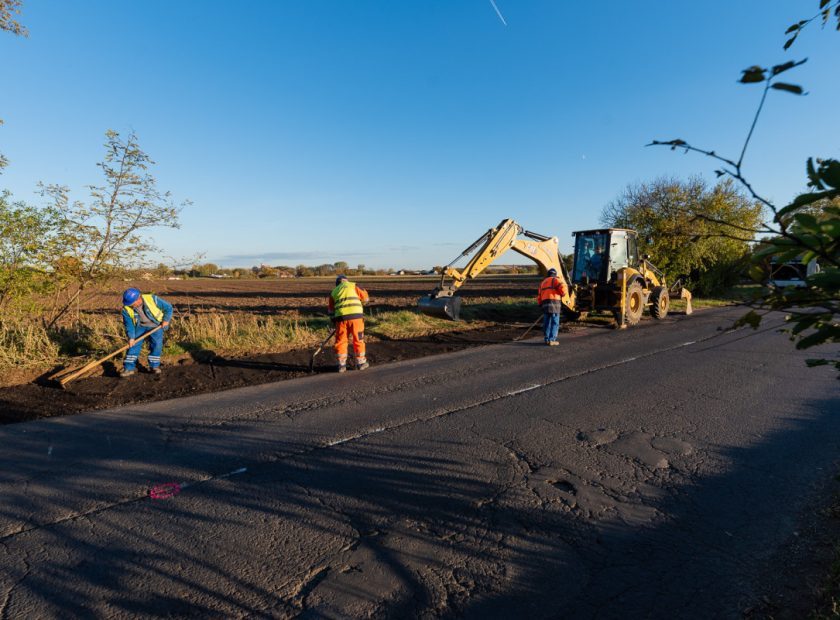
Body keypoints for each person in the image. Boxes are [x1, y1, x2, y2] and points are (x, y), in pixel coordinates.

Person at [121, 288, 173, 377]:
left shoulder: (152, 299)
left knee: (157, 345)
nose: (131, 305)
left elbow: (168, 307)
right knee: (133, 345)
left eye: (132, 303)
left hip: (156, 325)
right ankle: (129, 368)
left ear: (138, 299)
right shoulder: (126, 309)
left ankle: (154, 366)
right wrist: (131, 337)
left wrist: (166, 320)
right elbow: (129, 325)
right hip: (140, 326)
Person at [328, 275, 370, 372]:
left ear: (337, 283)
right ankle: (361, 363)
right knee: (358, 339)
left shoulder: (333, 291)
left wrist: (333, 321)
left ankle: (341, 365)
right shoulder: (354, 285)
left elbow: (330, 311)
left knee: (341, 341)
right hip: (356, 318)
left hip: (341, 319)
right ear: (346, 281)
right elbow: (366, 299)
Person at [537, 268, 566, 346]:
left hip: (545, 304)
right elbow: (563, 290)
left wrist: (540, 304)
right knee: (554, 322)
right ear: (555, 274)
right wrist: (563, 294)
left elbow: (539, 296)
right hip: (554, 303)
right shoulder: (556, 280)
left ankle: (546, 339)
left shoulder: (543, 282)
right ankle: (552, 340)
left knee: (547, 322)